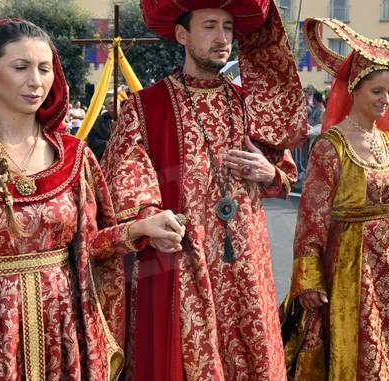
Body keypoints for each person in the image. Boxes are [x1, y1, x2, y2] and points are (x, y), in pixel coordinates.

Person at [0, 19, 184, 380]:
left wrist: (138, 228)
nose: (36, 81)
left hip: (64, 331)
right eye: (20, 67)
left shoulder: (75, 158)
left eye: (44, 68)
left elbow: (88, 246)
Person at [100, 2, 306, 380]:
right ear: (182, 34)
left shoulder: (251, 105)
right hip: (184, 268)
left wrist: (268, 172)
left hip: (246, 266)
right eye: (210, 26)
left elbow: (286, 177)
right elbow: (126, 181)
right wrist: (149, 216)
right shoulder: (146, 107)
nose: (223, 38)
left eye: (228, 27)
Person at [280, 18, 389, 380]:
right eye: (378, 91)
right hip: (346, 265)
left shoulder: (387, 142)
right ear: (354, 89)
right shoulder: (329, 147)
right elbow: (311, 218)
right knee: (353, 345)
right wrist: (309, 279)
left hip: (385, 263)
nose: (386, 100)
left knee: (386, 343)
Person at [87, 95, 116, 161]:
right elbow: (92, 140)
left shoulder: (125, 118)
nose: (113, 104)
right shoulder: (98, 121)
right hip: (104, 156)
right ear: (106, 107)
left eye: (115, 102)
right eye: (110, 103)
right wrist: (106, 143)